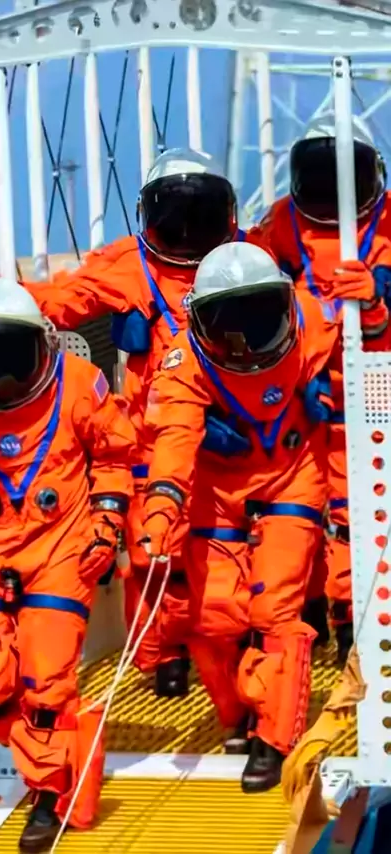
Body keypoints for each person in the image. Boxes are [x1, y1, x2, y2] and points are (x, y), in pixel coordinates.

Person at [0, 147, 263, 699]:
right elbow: (67, 299)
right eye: (174, 215)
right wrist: (6, 298)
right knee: (151, 555)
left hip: (235, 430)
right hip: (155, 433)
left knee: (234, 551)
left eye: (198, 214)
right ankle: (162, 655)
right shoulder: (130, 265)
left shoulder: (248, 257)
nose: (186, 228)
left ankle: (236, 651)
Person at [0, 277, 136, 852]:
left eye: (11, 360)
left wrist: (107, 523)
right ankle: (58, 749)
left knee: (46, 681)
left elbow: (114, 456)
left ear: (43, 346)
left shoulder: (77, 385)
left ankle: (48, 793)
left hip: (60, 551)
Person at [141, 241, 339, 792]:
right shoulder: (184, 364)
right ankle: (237, 712)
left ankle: (273, 739)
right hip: (218, 488)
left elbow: (361, 355)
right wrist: (161, 505)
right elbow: (174, 440)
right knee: (213, 620)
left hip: (291, 475)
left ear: (282, 303)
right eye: (231, 325)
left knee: (274, 610)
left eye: (259, 318)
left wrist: (329, 392)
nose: (246, 340)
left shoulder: (312, 321)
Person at [250, 113, 391, 664]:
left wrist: (375, 302)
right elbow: (244, 276)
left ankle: (354, 621)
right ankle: (315, 615)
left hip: (373, 383)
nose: (333, 192)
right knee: (296, 514)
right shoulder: (282, 224)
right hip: (303, 388)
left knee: (360, 513)